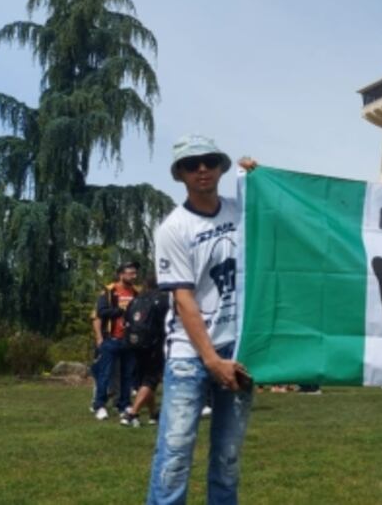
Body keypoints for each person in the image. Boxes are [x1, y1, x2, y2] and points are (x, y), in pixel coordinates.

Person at [147, 135, 254, 505]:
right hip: (190, 353)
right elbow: (184, 299)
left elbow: (281, 224)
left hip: (238, 346)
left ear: (222, 166)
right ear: (180, 175)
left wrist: (259, 183)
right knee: (175, 454)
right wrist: (211, 360)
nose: (202, 169)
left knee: (228, 456)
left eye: (209, 161)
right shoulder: (173, 229)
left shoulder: (242, 211)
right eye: (192, 165)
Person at [92, 261, 139, 420]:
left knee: (127, 375)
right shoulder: (109, 291)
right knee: (105, 374)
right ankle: (99, 405)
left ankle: (124, 404)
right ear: (121, 274)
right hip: (111, 338)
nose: (134, 275)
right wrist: (120, 311)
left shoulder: (136, 292)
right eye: (130, 272)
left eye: (135, 273)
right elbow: (101, 311)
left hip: (129, 340)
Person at [121, 275, 170, 427]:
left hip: (135, 343)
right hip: (155, 344)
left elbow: (126, 320)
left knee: (144, 380)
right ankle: (132, 413)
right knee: (151, 379)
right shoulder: (163, 300)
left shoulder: (135, 300)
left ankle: (153, 414)